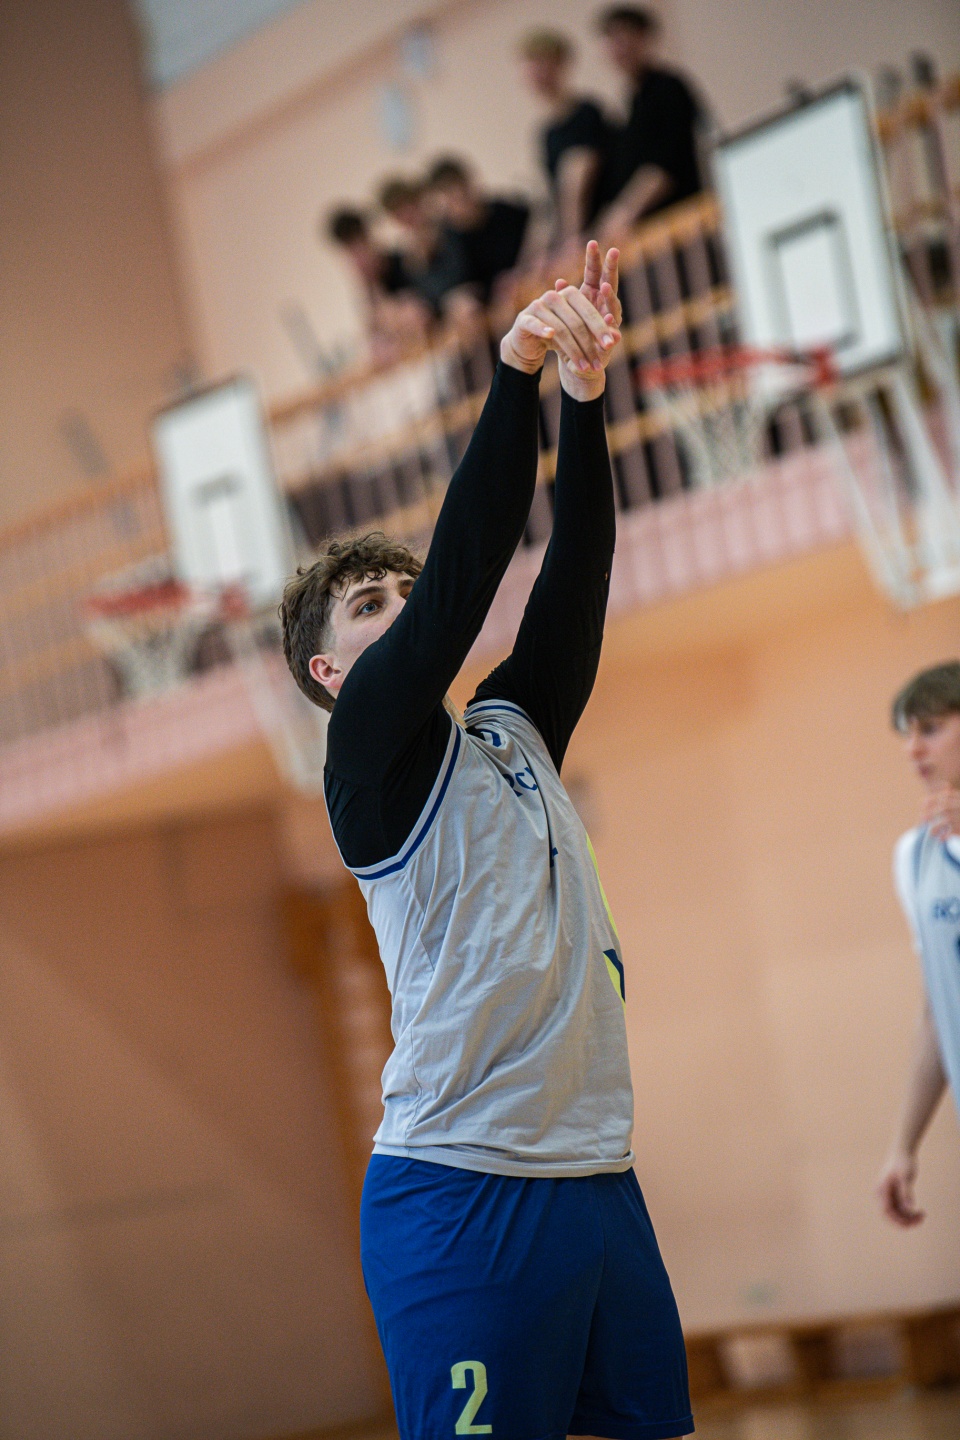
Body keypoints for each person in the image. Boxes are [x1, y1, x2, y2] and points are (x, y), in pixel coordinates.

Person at [280, 240, 692, 1440]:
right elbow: (467, 573)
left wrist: (584, 396)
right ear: (330, 673)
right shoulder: (366, 758)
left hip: (598, 1176)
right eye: (372, 608)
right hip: (460, 1190)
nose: (406, 610)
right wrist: (513, 368)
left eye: (402, 593)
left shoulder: (509, 730)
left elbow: (577, 570)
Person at [877, 662, 960, 1228]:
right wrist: (904, 1145)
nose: (913, 750)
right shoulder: (914, 856)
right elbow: (939, 1009)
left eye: (930, 728)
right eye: (908, 734)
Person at [593, 5, 706, 240]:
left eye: (624, 36)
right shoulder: (631, 102)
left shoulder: (668, 87)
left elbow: (666, 161)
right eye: (611, 39)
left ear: (644, 38)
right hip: (654, 230)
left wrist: (624, 212)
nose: (618, 47)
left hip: (684, 223)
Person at [519, 29, 610, 244]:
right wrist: (535, 254)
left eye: (543, 63)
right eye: (531, 65)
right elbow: (549, 198)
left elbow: (576, 182)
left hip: (601, 231)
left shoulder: (586, 112)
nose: (536, 73)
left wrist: (571, 237)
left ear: (560, 65)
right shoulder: (547, 132)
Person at [324, 206, 431, 357]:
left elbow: (423, 314)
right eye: (350, 254)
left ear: (369, 239)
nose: (357, 260)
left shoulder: (405, 265)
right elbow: (373, 337)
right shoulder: (370, 286)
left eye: (358, 248)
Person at [423, 156, 531, 305]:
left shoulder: (506, 213)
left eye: (459, 191)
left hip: (524, 286)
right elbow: (450, 286)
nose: (458, 201)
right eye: (449, 196)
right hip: (485, 305)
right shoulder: (448, 239)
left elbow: (536, 238)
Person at [377, 175, 469, 316]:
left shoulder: (449, 228)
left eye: (407, 206)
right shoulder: (408, 255)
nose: (406, 215)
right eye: (398, 213)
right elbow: (428, 294)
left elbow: (461, 272)